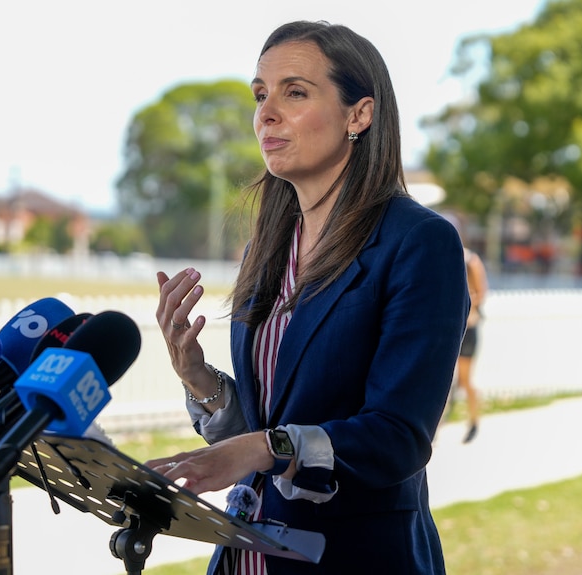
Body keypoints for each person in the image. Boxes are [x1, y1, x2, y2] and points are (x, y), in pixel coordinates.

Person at [147, 20, 469, 575]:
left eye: (294, 92)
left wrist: (260, 449)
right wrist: (199, 380)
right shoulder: (265, 247)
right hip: (248, 556)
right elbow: (270, 420)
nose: (266, 113)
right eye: (260, 94)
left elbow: (397, 438)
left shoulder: (419, 242)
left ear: (359, 115)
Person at [457, 247, 488, 443]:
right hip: (452, 325)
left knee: (465, 380)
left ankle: (474, 421)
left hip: (468, 326)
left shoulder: (470, 260)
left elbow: (481, 293)